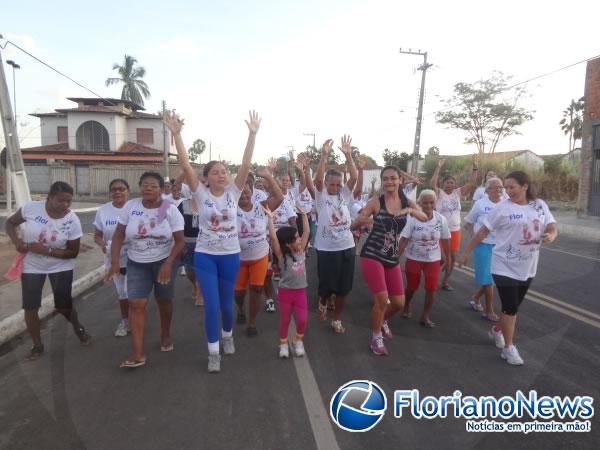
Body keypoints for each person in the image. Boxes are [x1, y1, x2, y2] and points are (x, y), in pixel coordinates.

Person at [164, 109, 261, 373]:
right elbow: (185, 165)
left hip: (230, 255)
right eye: (216, 171)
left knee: (227, 306)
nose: (222, 174)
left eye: (224, 171)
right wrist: (177, 135)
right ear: (206, 178)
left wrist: (252, 134)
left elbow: (245, 164)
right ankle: (213, 352)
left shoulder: (234, 191)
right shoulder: (200, 193)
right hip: (205, 255)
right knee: (212, 306)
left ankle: (228, 335)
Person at [458, 171, 557, 366]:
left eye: (511, 187)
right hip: (503, 265)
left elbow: (552, 226)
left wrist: (551, 235)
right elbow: (482, 232)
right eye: (507, 187)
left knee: (512, 307)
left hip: (528, 266)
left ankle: (497, 330)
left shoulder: (539, 205)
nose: (508, 191)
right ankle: (508, 348)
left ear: (525, 186)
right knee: (511, 308)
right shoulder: (502, 208)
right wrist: (466, 252)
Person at [5, 181, 91, 360]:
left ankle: (78, 327)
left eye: (69, 201)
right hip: (32, 266)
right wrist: (17, 242)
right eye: (61, 200)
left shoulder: (71, 219)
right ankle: (37, 345)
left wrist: (46, 250)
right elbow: (10, 223)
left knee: (63, 305)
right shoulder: (31, 209)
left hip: (60, 266)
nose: (65, 205)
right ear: (49, 197)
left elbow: (73, 252)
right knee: (30, 307)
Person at [106, 172, 185, 368]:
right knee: (136, 304)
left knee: (164, 300)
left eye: (153, 186)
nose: (148, 189)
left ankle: (165, 332)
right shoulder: (131, 207)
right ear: (139, 187)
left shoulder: (168, 209)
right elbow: (118, 234)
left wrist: (168, 263)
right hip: (136, 262)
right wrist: (115, 261)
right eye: (145, 185)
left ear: (161, 189)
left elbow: (180, 240)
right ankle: (138, 353)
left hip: (164, 261)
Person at [353, 166, 427, 355]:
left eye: (393, 178)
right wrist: (361, 220)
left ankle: (382, 320)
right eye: (385, 179)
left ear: (400, 180)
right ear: (381, 181)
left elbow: (425, 217)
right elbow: (353, 225)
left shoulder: (407, 202)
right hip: (372, 255)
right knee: (381, 300)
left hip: (391, 257)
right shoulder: (375, 202)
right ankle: (376, 337)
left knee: (399, 303)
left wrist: (411, 209)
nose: (389, 182)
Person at [314, 136, 357, 333]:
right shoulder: (321, 198)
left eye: (339, 184)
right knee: (326, 286)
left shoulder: (344, 196)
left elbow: (354, 178)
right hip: (326, 250)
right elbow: (317, 179)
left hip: (347, 247)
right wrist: (323, 155)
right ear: (327, 184)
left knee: (343, 288)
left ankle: (337, 319)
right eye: (333, 184)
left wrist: (348, 155)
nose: (337, 187)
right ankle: (323, 301)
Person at [235, 168, 283, 336]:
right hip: (238, 259)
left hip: (259, 256)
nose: (244, 196)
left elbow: (279, 197)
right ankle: (240, 309)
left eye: (247, 192)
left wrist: (269, 176)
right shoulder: (229, 209)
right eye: (240, 193)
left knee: (256, 288)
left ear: (252, 191)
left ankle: (252, 323)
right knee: (239, 292)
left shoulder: (261, 207)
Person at [398, 189, 451, 328]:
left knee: (431, 288)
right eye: (425, 203)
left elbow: (445, 240)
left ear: (435, 203)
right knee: (411, 287)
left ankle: (425, 315)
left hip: (433, 259)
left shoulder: (441, 219)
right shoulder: (413, 219)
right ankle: (407, 304)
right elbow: (403, 239)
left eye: (431, 202)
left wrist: (447, 257)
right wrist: (396, 257)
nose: (428, 205)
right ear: (419, 203)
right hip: (414, 258)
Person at [265, 206, 310, 358]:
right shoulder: (282, 256)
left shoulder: (301, 251)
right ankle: (283, 344)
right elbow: (273, 237)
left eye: (298, 237)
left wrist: (304, 215)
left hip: (300, 292)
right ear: (288, 243)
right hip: (285, 292)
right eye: (296, 238)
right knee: (285, 319)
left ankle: (298, 340)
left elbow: (307, 232)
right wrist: (270, 219)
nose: (299, 239)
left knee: (303, 319)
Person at [430, 156, 479, 290]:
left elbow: (471, 183)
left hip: (454, 230)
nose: (449, 184)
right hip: (439, 230)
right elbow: (433, 183)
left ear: (455, 184)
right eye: (447, 182)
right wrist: (438, 167)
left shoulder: (458, 193)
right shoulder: (439, 193)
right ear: (443, 184)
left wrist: (475, 167)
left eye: (452, 182)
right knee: (440, 258)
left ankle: (445, 282)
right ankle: (432, 275)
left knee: (451, 258)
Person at [463, 177, 505, 321]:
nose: (498, 190)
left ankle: (475, 297)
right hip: (483, 244)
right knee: (488, 279)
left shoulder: (507, 204)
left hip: (500, 246)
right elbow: (468, 223)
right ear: (487, 190)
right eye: (494, 187)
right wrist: (474, 235)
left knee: (494, 278)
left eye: (500, 187)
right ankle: (489, 310)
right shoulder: (480, 204)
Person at [93, 178, 131, 337]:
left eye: (121, 189)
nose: (117, 192)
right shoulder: (103, 211)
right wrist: (102, 245)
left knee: (132, 292)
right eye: (114, 189)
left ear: (128, 191)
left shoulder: (134, 208)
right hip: (114, 259)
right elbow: (97, 235)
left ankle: (136, 319)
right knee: (122, 293)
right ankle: (125, 321)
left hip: (134, 258)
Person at [177, 186, 203, 306]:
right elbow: (176, 224)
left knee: (203, 268)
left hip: (205, 242)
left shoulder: (209, 203)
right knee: (189, 270)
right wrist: (180, 241)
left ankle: (200, 291)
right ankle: (194, 284)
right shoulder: (183, 205)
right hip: (187, 242)